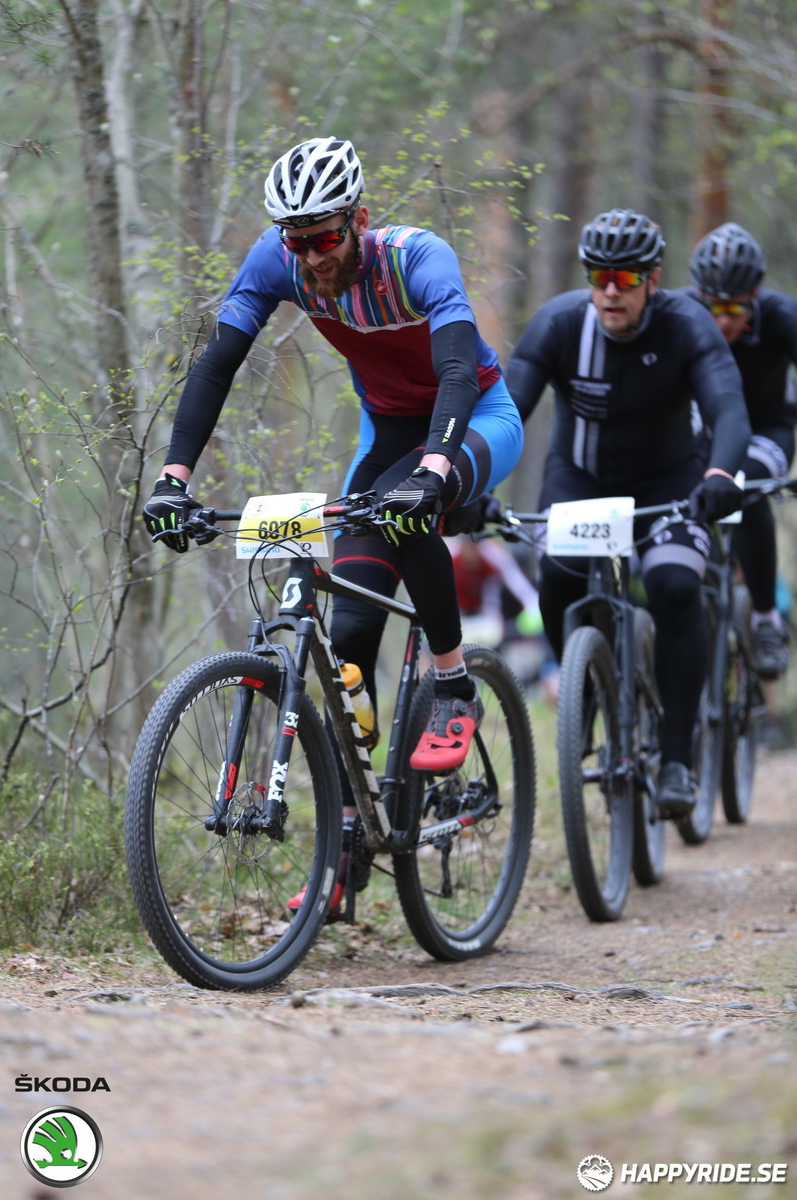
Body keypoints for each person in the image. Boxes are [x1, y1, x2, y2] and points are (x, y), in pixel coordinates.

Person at [142, 135, 524, 911]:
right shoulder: (275, 261)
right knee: (346, 633)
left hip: (475, 415)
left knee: (409, 514)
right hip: (384, 432)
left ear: (358, 219)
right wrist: (172, 478)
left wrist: (436, 469)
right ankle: (349, 839)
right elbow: (217, 363)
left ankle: (451, 684)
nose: (311, 258)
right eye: (296, 240)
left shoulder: (417, 258)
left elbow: (457, 369)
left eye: (324, 238)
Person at [504, 208, 751, 819]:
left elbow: (729, 408)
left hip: (670, 482)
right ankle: (586, 692)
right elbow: (506, 412)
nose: (610, 289)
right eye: (598, 274)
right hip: (580, 479)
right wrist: (466, 481)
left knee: (672, 584)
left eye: (626, 277)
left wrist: (720, 475)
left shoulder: (686, 325)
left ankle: (676, 759)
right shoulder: (561, 325)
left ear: (653, 280)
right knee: (557, 574)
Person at [686, 222, 796, 680]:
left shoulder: (782, 316)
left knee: (743, 486)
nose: (723, 320)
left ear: (755, 296)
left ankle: (766, 616)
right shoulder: (680, 311)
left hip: (766, 431)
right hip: (699, 430)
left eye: (735, 308)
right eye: (713, 307)